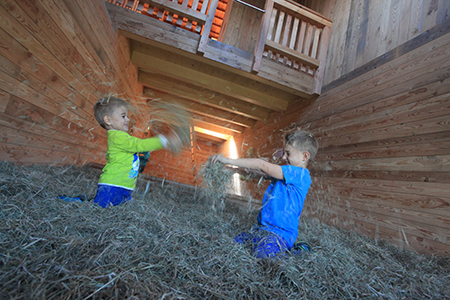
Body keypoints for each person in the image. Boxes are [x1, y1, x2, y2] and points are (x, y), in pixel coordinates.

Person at [211, 130, 318, 258]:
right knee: (236, 243)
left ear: (305, 156)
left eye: (288, 153)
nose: (283, 157)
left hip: (280, 234)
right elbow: (259, 173)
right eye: (284, 152)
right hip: (262, 230)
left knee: (263, 256)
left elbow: (261, 165)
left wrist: (228, 160)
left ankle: (299, 250)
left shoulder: (300, 175)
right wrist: (233, 170)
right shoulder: (286, 173)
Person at [92, 96, 183, 208]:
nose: (128, 119)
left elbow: (138, 146)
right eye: (123, 116)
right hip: (112, 186)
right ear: (108, 120)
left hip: (124, 186)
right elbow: (139, 145)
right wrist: (163, 141)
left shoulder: (122, 137)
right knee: (100, 209)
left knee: (123, 209)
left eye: (127, 116)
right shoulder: (117, 136)